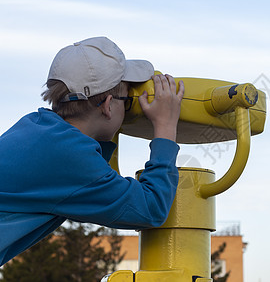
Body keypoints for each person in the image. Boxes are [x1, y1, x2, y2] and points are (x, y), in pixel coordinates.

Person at [0, 36, 185, 266]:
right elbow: (151, 208)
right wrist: (165, 127)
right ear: (108, 105)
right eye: (127, 101)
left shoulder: (35, 126)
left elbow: (89, 177)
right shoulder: (70, 158)